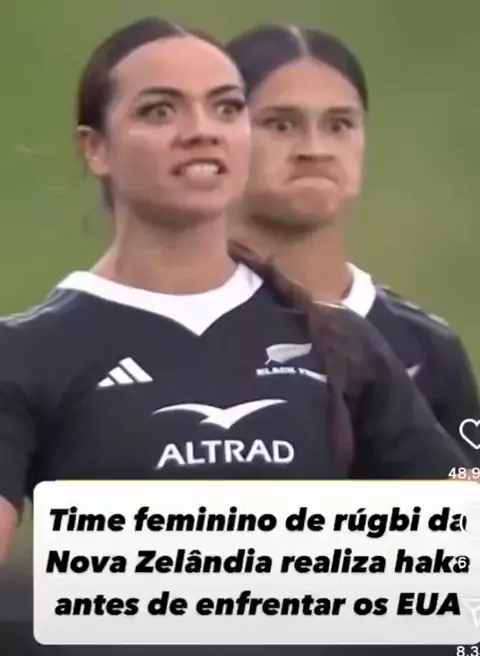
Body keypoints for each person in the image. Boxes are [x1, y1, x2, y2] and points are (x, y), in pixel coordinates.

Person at [0, 17, 472, 561]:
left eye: (226, 108)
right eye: (160, 111)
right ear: (96, 148)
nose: (202, 131)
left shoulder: (341, 338)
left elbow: (462, 534)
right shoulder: (28, 353)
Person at [226, 24, 480, 459]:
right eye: (281, 124)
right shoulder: (175, 328)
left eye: (339, 125)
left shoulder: (427, 348)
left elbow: (466, 492)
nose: (315, 149)